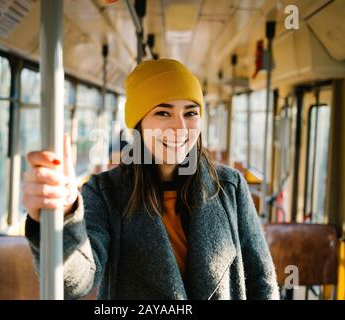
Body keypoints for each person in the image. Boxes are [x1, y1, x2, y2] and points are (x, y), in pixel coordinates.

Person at [22, 59, 279, 300]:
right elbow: (75, 281)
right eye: (163, 113)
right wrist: (64, 216)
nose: (180, 127)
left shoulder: (229, 186)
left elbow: (261, 279)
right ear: (139, 124)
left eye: (190, 113)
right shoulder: (104, 192)